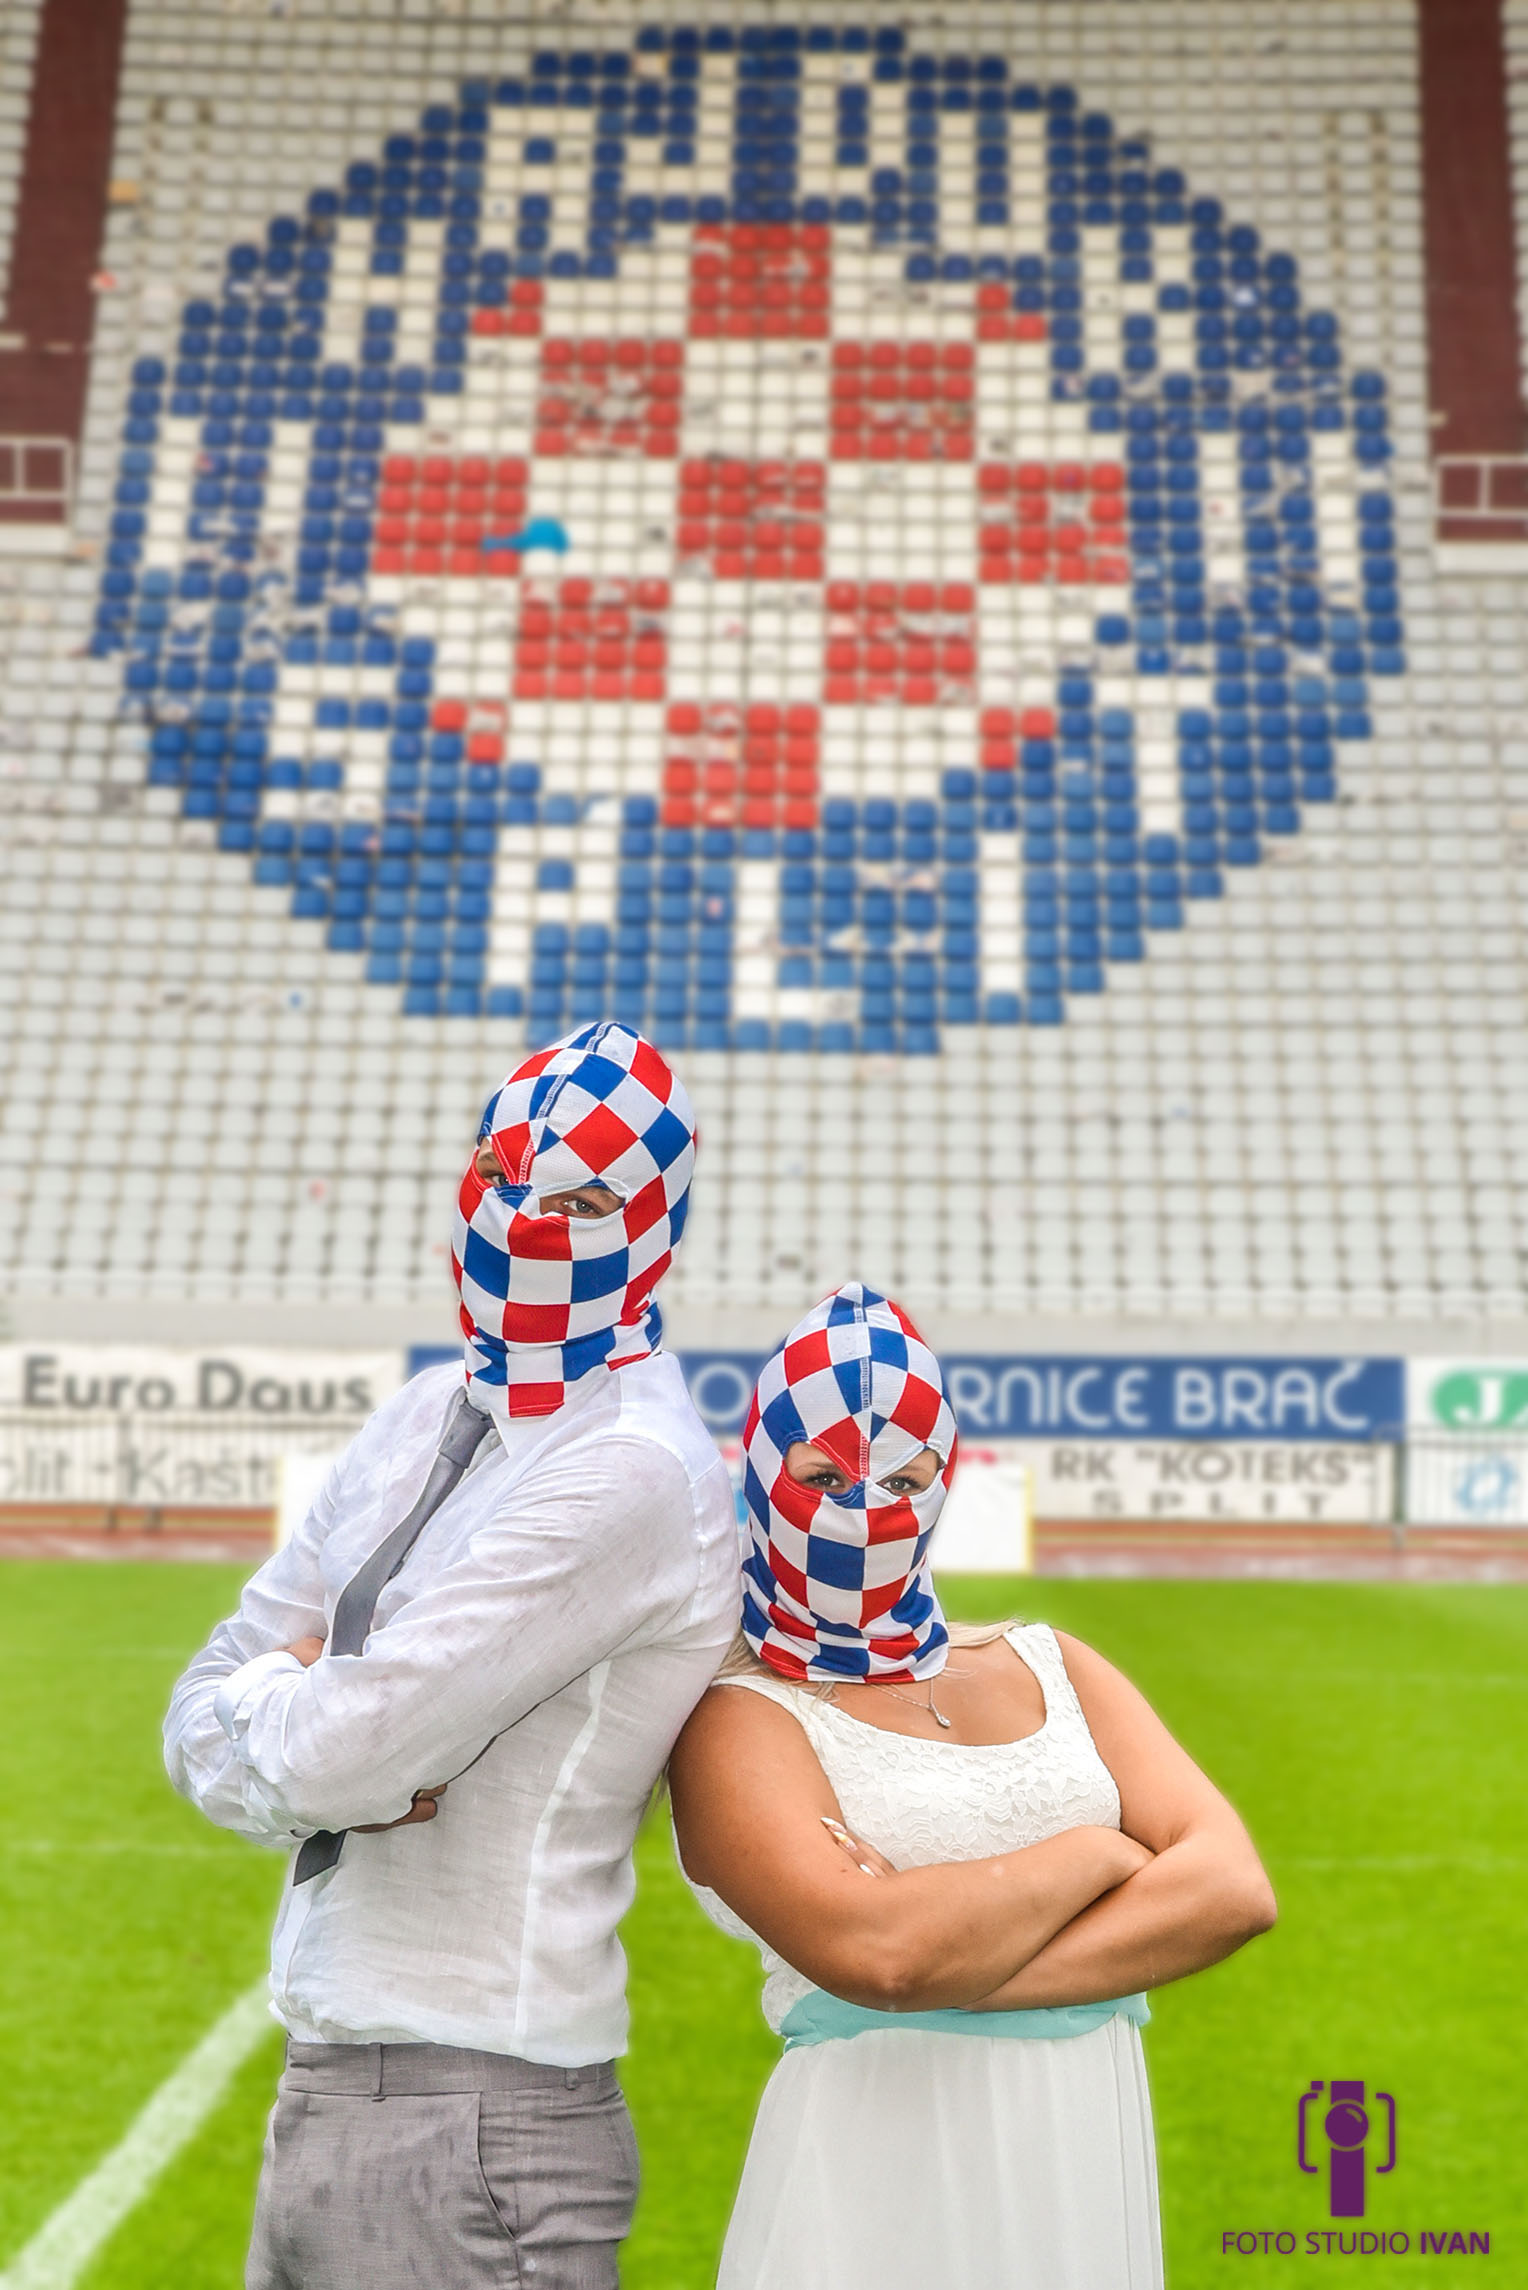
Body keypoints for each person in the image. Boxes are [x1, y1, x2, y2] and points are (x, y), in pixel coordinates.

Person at [165, 1021, 739, 2290]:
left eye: (584, 1196)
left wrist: (305, 1703)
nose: (525, 1216)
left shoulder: (626, 1467)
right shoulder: (426, 1410)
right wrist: (299, 1699)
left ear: (653, 1227)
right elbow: (204, 1701)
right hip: (334, 2087)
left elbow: (337, 1757)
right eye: (497, 1170)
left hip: (478, 2118)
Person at [669, 1281, 1277, 2290]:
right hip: (879, 2165)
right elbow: (884, 1955)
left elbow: (1232, 1891)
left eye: (905, 1481)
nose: (869, 1512)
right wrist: (1103, 1856)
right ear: (764, 1472)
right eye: (826, 1473)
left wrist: (960, 1955)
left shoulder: (1055, 1661)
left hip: (1078, 2149)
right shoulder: (737, 1715)